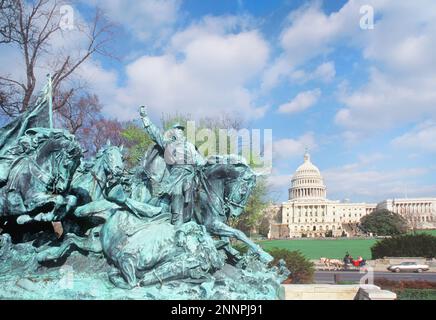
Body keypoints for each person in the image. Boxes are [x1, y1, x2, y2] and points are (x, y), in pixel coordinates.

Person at [139, 106, 206, 226]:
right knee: (177, 194)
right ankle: (176, 224)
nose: (180, 130)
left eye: (181, 129)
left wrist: (209, 164)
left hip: (191, 174)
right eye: (177, 129)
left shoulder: (190, 145)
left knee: (201, 193)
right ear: (173, 133)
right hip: (176, 175)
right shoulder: (168, 145)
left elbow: (200, 160)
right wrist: (144, 117)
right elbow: (154, 133)